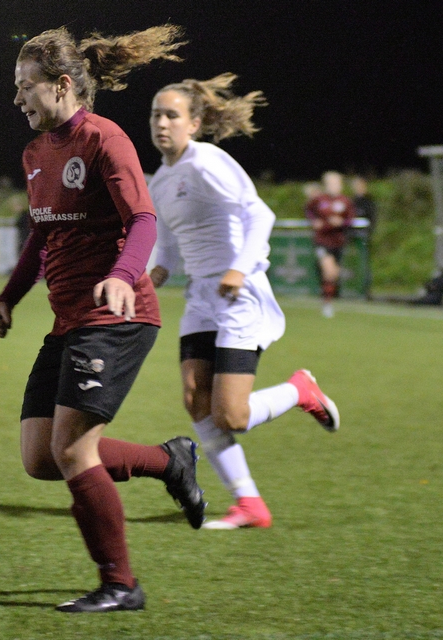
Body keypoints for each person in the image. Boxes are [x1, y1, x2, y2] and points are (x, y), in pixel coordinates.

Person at [0, 25, 204, 614]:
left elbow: (143, 220)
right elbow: (42, 238)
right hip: (69, 322)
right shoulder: (35, 154)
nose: (17, 98)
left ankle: (121, 584)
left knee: (73, 451)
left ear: (61, 85)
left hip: (117, 316)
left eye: (25, 85)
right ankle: (169, 460)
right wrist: (9, 298)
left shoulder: (105, 139)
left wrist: (124, 274)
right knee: (40, 458)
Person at [147, 73, 340, 530]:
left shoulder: (207, 162)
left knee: (231, 415)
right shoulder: (160, 181)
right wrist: (149, 279)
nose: (162, 123)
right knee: (196, 400)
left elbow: (260, 213)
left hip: (239, 292)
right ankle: (248, 503)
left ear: (194, 124)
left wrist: (238, 268)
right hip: (201, 296)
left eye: (172, 115)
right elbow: (167, 247)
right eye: (156, 115)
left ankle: (300, 391)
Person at [306, 171, 355, 317]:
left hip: (338, 241)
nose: (334, 186)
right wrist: (314, 221)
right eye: (331, 183)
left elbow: (350, 219)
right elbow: (308, 211)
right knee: (329, 270)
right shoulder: (319, 199)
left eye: (336, 183)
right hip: (322, 240)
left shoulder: (345, 201)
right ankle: (327, 304)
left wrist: (342, 222)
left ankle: (327, 299)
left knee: (333, 275)